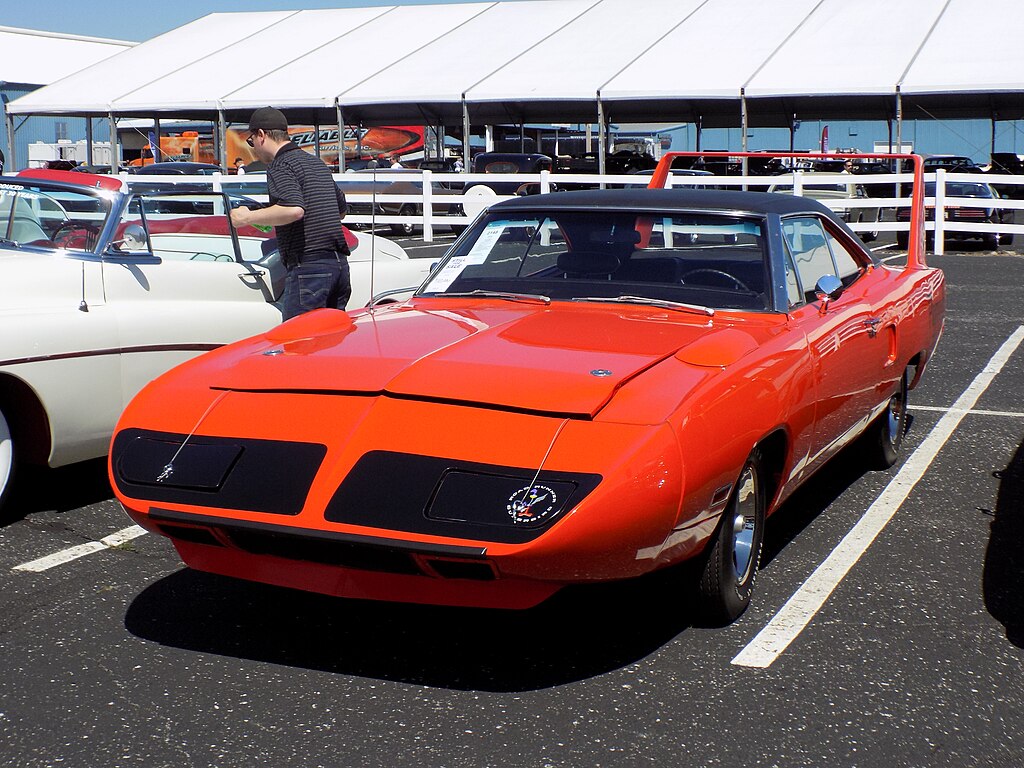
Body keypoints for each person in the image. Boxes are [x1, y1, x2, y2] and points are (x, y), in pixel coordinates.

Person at [230, 107, 351, 321]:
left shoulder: (281, 165)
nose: (254, 149)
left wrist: (246, 217)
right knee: (329, 344)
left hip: (309, 267)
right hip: (339, 267)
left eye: (252, 141)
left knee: (298, 346)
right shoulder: (316, 163)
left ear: (261, 135)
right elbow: (340, 211)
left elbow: (293, 209)